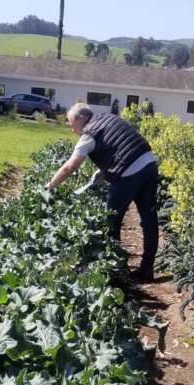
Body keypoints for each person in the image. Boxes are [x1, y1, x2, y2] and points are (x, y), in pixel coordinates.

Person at [44, 102, 159, 281]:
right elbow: (120, 146)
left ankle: (116, 270)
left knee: (111, 220)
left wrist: (49, 186)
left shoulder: (89, 134)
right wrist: (104, 171)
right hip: (149, 163)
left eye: (72, 125)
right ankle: (147, 269)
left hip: (129, 173)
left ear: (81, 119)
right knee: (149, 218)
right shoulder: (109, 117)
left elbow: (69, 167)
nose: (73, 130)